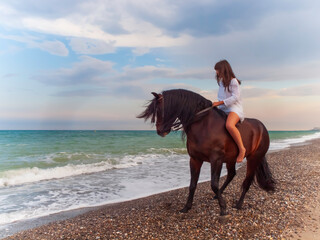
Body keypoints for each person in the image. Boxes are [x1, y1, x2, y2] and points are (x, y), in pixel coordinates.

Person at [212, 60, 246, 163]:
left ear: (223, 69)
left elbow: (235, 97)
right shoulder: (222, 83)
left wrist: (220, 103)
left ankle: (241, 149)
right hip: (223, 108)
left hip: (234, 108)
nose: (217, 73)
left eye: (218, 70)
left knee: (229, 125)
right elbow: (221, 97)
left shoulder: (233, 81)